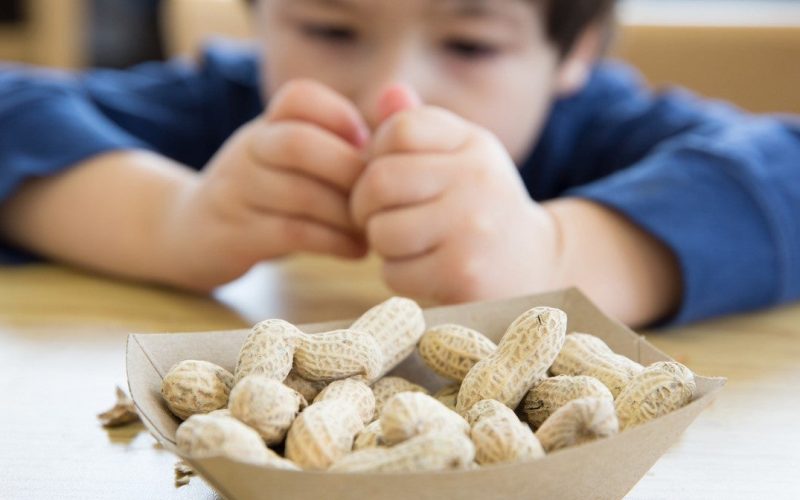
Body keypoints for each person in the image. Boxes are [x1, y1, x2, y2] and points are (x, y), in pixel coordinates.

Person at [0, 0, 798, 328]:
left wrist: (556, 253)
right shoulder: (226, 106)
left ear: (573, 52)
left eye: (470, 44)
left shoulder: (602, 129)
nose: (396, 92)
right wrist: (165, 219)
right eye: (330, 29)